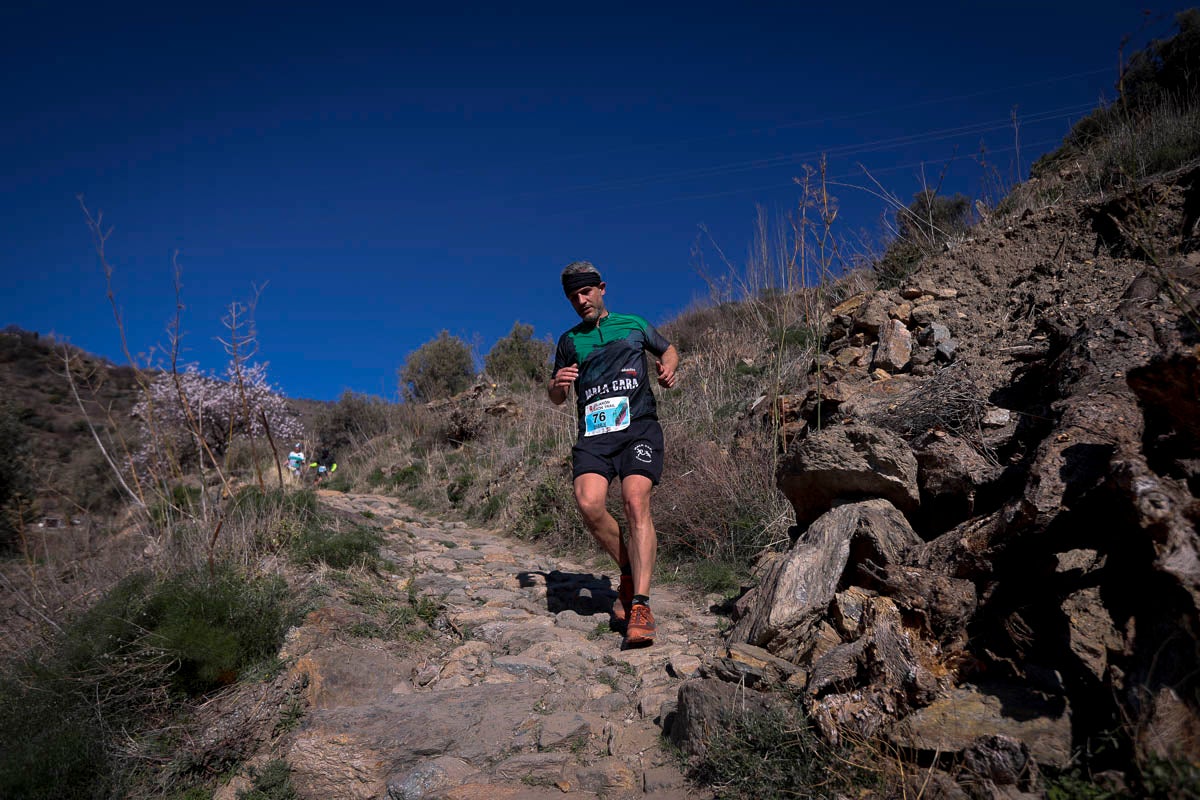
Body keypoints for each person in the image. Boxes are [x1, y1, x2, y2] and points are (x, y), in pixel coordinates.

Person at [548, 260, 678, 648]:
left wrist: (668, 370)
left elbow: (670, 351)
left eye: (586, 292)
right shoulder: (569, 341)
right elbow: (557, 397)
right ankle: (627, 570)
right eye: (573, 297)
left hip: (638, 427)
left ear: (601, 288)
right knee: (588, 504)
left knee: (635, 501)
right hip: (594, 436)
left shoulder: (634, 325)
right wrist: (557, 383)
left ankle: (640, 604)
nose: (580, 300)